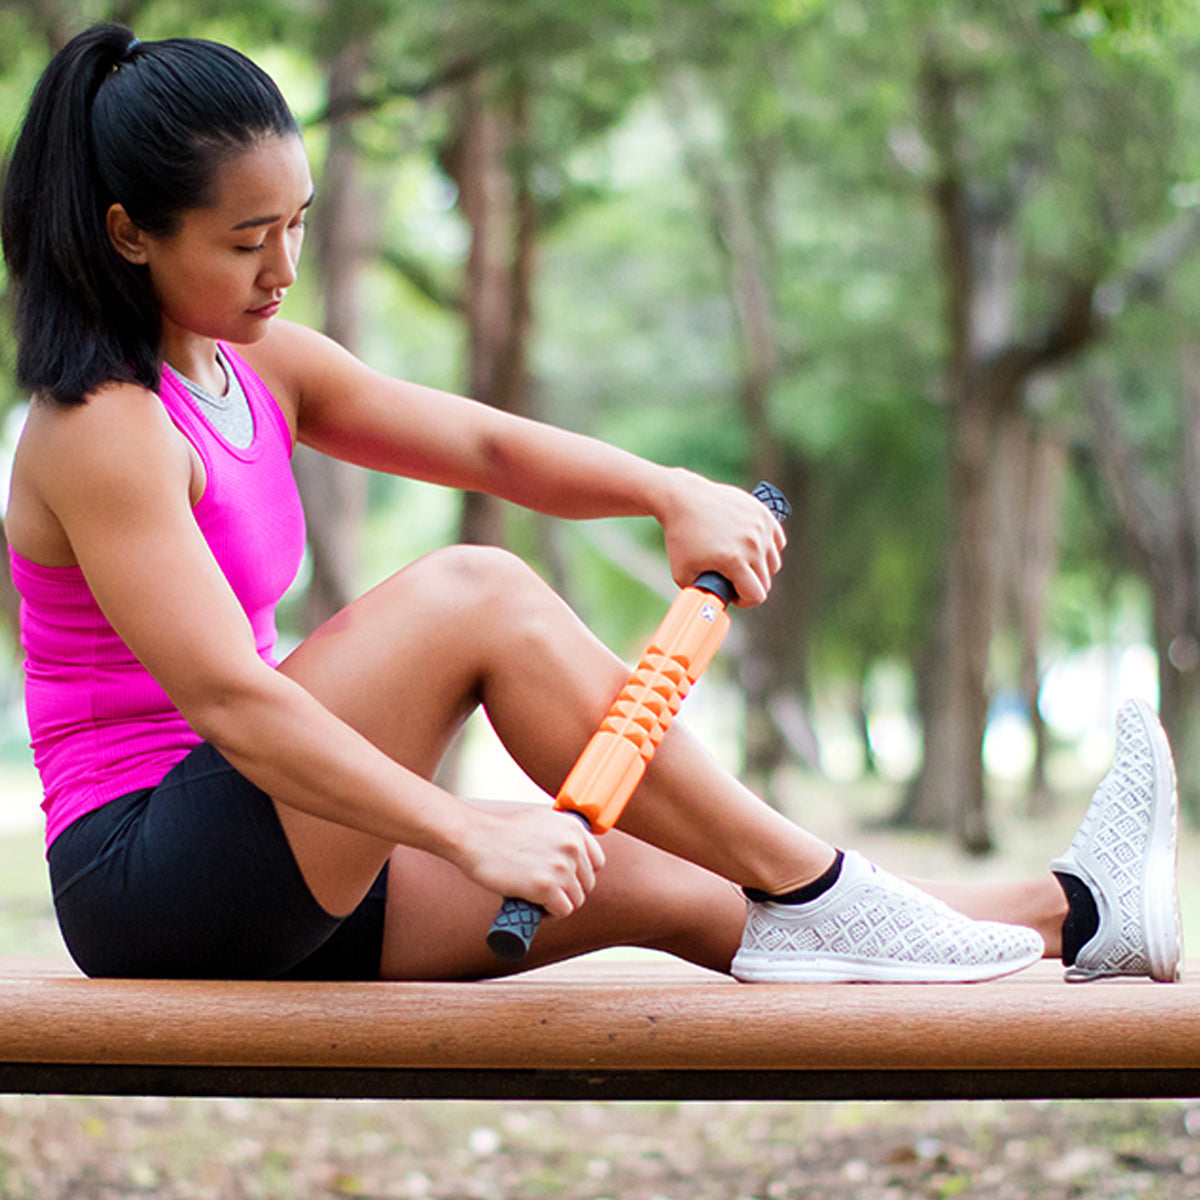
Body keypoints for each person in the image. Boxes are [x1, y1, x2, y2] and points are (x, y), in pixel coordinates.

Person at [0, 24, 1182, 986]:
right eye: (248, 239)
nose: (286, 268)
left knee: (699, 892)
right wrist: (466, 828)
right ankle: (811, 878)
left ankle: (1074, 914)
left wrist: (669, 491)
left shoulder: (261, 363)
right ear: (128, 235)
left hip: (288, 854)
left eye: (299, 222)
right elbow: (231, 701)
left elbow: (480, 444)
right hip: (155, 881)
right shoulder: (104, 424)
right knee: (477, 590)